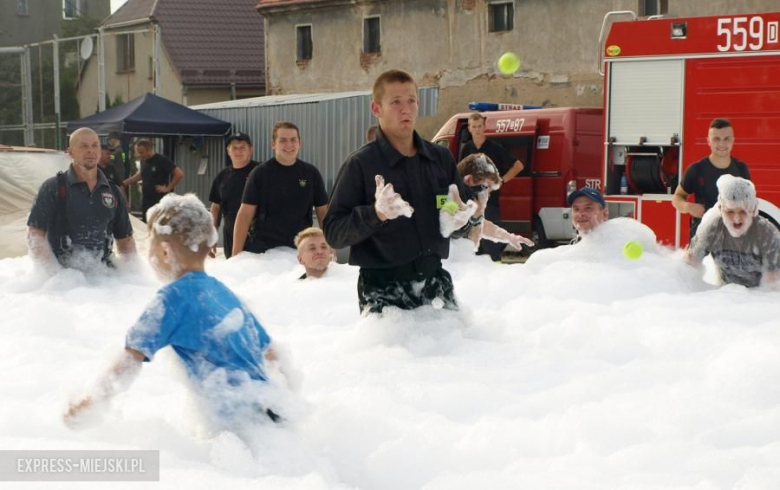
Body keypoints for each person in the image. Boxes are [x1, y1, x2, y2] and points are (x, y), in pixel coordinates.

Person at [64, 194, 279, 429]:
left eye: (150, 243)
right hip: (270, 408)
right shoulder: (223, 292)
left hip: (235, 420)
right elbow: (270, 352)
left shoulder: (171, 299)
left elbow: (130, 358)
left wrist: (89, 403)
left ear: (165, 252)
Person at [323, 69, 478, 315]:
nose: (406, 109)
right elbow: (334, 233)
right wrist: (376, 214)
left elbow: (457, 213)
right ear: (376, 108)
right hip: (383, 293)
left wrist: (459, 221)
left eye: (411, 101)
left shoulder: (440, 158)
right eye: (395, 102)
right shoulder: (361, 165)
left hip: (435, 284)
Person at [27, 128, 136, 272]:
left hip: (105, 278)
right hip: (64, 278)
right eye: (84, 146)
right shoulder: (53, 187)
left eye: (95, 145)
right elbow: (35, 236)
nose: (90, 150)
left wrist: (131, 275)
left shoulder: (113, 192)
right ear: (71, 152)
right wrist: (54, 275)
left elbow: (126, 242)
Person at [232, 122, 328, 256]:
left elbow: (323, 213)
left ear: (299, 143)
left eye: (293, 140)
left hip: (299, 249)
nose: (289, 145)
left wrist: (330, 246)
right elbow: (245, 215)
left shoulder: (311, 173)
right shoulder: (260, 173)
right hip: (264, 251)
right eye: (283, 140)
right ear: (273, 144)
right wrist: (236, 255)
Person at [686, 175, 780, 288]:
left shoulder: (768, 235)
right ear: (721, 209)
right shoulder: (713, 229)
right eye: (730, 212)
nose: (736, 218)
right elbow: (688, 265)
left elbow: (772, 286)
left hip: (757, 295)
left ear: (754, 210)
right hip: (725, 292)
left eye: (743, 212)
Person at [459, 112, 525, 261]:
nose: (477, 130)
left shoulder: (494, 147)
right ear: (469, 128)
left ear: (484, 127)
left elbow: (518, 165)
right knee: (474, 242)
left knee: (492, 245)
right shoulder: (467, 149)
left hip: (490, 202)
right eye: (474, 126)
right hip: (471, 202)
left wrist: (501, 181)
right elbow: (461, 172)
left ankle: (495, 268)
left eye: (479, 126)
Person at [673, 118, 751, 238]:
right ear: (708, 141)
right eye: (716, 139)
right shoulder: (696, 169)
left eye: (726, 139)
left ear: (733, 140)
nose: (722, 144)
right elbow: (677, 197)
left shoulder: (741, 169)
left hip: (733, 239)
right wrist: (688, 207)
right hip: (702, 238)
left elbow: (748, 203)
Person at [456, 153, 535, 252]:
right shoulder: (448, 199)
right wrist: (476, 215)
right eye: (485, 187)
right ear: (469, 180)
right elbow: (459, 232)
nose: (487, 193)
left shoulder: (472, 198)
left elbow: (482, 226)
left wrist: (509, 237)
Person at [209, 132, 259, 258]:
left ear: (250, 150)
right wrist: (212, 234)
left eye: (242, 147)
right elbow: (216, 206)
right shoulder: (222, 176)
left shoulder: (260, 171)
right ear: (228, 151)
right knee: (233, 267)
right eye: (234, 148)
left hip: (256, 233)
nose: (238, 151)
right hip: (230, 233)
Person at [122, 140, 184, 222]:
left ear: (149, 150)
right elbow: (142, 174)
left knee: (156, 224)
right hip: (146, 201)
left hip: (157, 202)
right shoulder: (146, 161)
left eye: (141, 152)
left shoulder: (161, 160)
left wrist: (168, 188)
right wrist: (125, 182)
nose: (140, 155)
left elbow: (179, 174)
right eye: (138, 153)